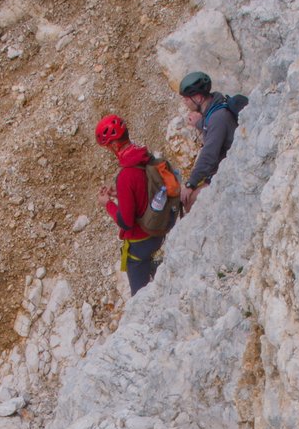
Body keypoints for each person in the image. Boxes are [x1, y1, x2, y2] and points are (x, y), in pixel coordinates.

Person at [96, 114, 179, 295]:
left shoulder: (125, 176)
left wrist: (108, 204)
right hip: (158, 232)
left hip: (140, 241)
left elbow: (126, 222)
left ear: (114, 145)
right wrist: (120, 195)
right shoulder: (145, 157)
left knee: (140, 297)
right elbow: (145, 190)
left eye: (109, 147)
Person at [179, 71, 248, 201]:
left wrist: (191, 183)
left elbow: (209, 155)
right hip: (225, 164)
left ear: (198, 98)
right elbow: (212, 127)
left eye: (187, 99)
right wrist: (199, 123)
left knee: (189, 201)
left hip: (231, 171)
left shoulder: (218, 117)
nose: (184, 102)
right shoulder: (215, 106)